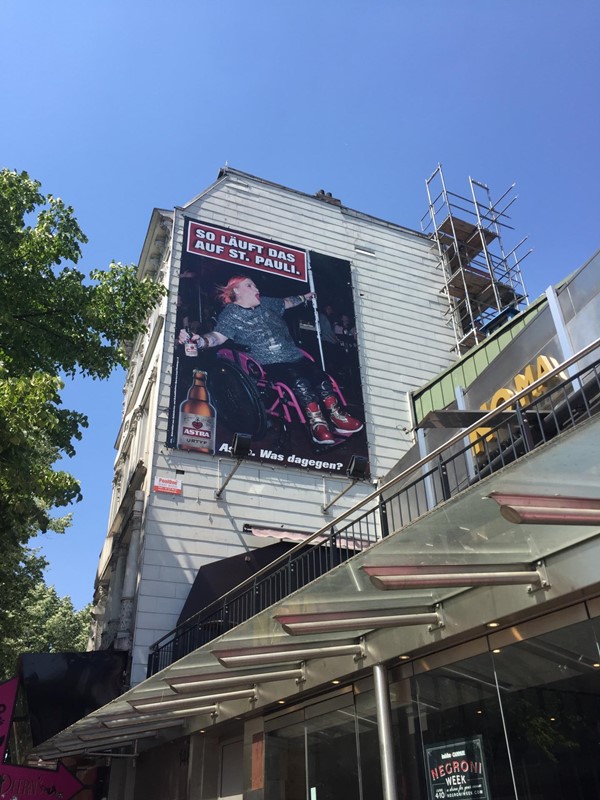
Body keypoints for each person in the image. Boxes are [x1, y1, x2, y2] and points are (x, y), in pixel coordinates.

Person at [178, 276, 363, 445]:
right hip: (268, 362)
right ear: (236, 291)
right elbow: (218, 336)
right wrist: (201, 341)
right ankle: (318, 424)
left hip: (293, 354)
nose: (255, 287)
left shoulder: (267, 303)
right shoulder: (231, 314)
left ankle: (338, 417)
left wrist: (305, 297)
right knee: (301, 383)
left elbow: (287, 302)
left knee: (321, 378)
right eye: (250, 285)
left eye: (255, 284)